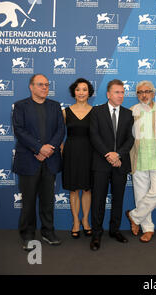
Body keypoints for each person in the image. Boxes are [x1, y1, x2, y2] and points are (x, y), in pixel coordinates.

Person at [12, 73, 65, 250]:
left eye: (47, 85)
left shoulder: (55, 106)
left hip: (49, 160)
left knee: (48, 200)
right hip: (29, 160)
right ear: (31, 87)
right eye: (41, 84)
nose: (45, 88)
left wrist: (48, 149)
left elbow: (60, 130)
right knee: (28, 202)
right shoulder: (20, 106)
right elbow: (19, 131)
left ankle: (48, 232)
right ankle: (27, 235)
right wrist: (38, 148)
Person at [89, 79, 134, 251]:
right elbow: (94, 136)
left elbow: (130, 138)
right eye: (117, 92)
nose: (121, 95)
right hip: (101, 163)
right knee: (98, 200)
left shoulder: (128, 114)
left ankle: (115, 230)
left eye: (122, 92)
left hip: (120, 163)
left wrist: (118, 155)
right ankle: (96, 234)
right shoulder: (96, 112)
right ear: (108, 94)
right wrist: (109, 155)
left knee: (118, 199)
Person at [126, 81, 156, 243]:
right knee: (141, 196)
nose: (144, 95)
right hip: (139, 158)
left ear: (153, 93)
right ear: (137, 95)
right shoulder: (131, 112)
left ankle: (134, 216)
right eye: (140, 92)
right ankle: (148, 229)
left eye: (147, 91)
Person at [62, 78, 94, 239]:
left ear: (89, 93)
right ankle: (75, 222)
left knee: (87, 189)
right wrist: (62, 152)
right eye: (78, 89)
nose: (81, 92)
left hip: (89, 153)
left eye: (84, 89)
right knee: (73, 189)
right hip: (71, 152)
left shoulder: (95, 112)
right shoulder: (65, 112)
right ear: (73, 92)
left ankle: (85, 220)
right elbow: (59, 136)